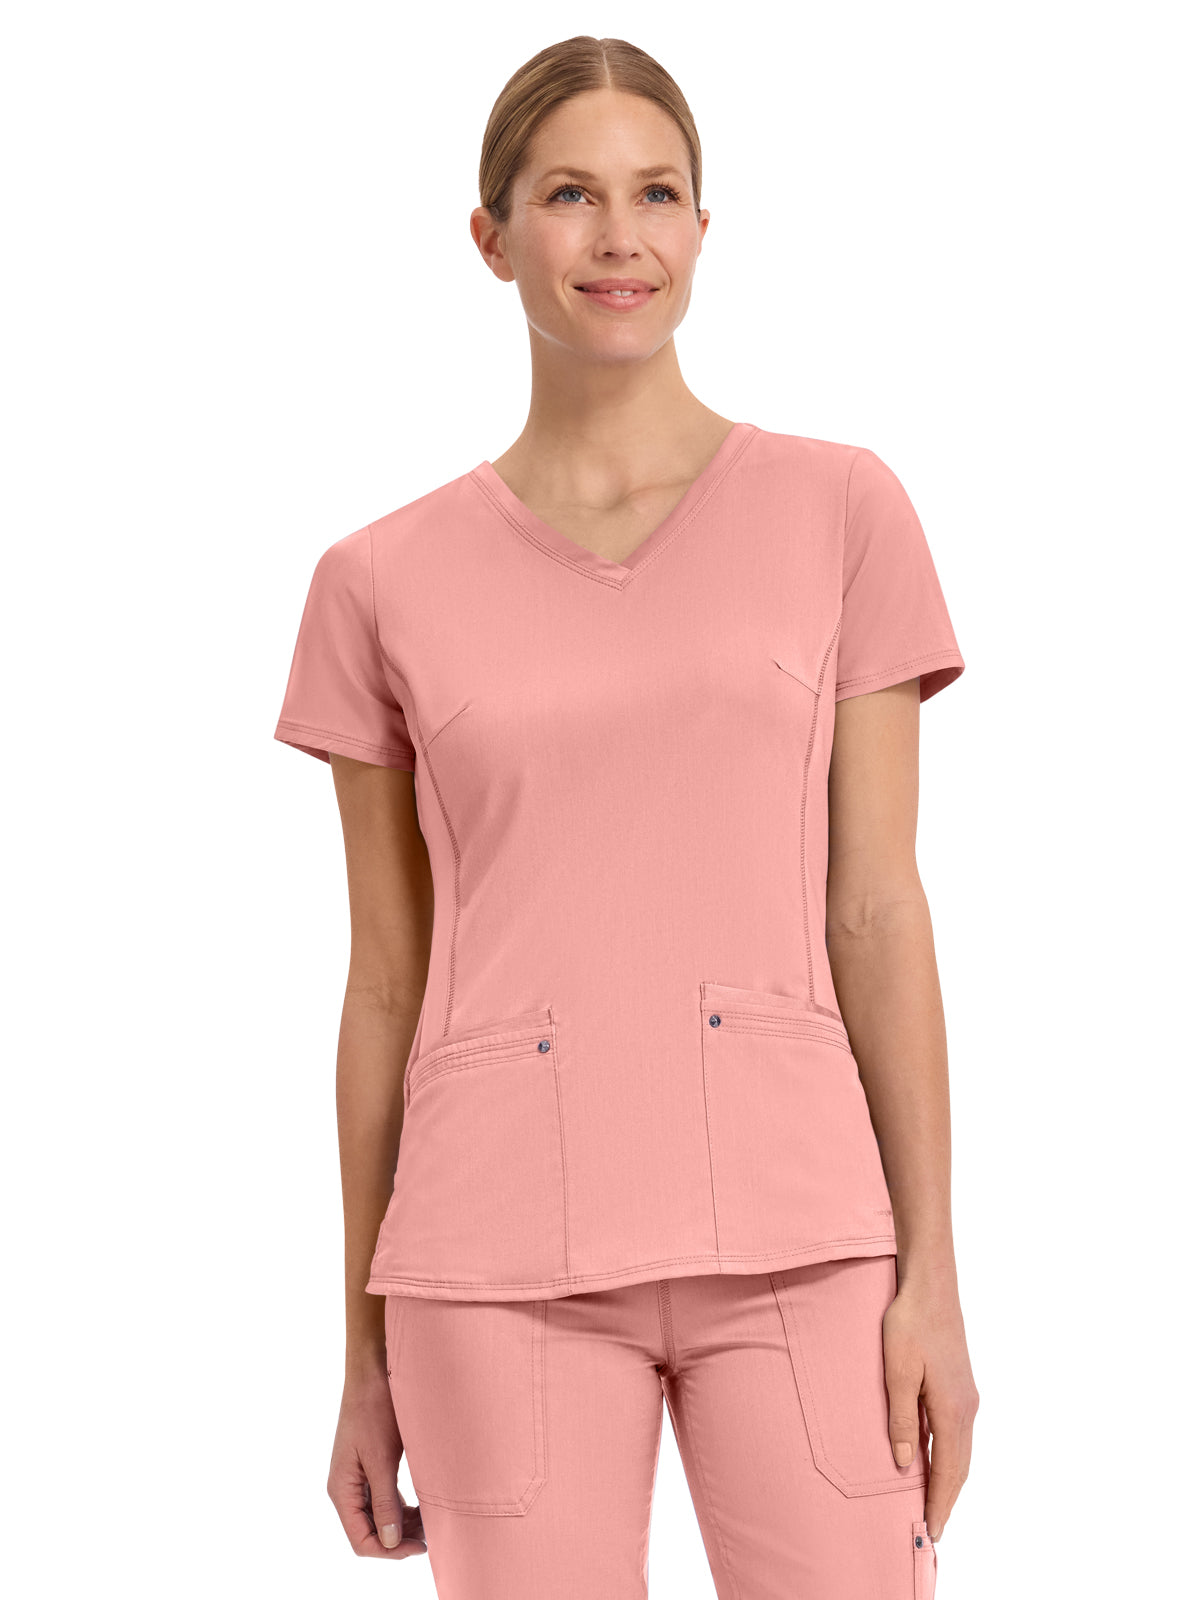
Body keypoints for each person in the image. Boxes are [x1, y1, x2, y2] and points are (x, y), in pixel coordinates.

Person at [272, 34, 979, 1600]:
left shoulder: (843, 510)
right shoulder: (376, 583)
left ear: (705, 231)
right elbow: (386, 980)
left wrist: (933, 1274)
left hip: (805, 1237)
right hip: (488, 1264)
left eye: (658, 195)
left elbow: (877, 906)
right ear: (490, 236)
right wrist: (362, 1355)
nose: (619, 238)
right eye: (569, 196)